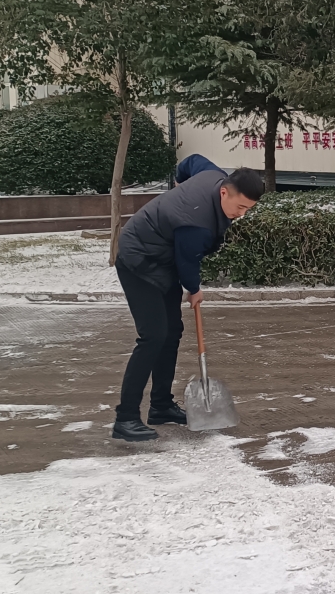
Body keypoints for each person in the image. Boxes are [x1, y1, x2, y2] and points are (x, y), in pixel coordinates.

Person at [110, 154, 264, 441]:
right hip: (138, 260)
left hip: (162, 259)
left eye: (248, 209)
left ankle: (161, 406)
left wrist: (180, 186)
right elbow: (187, 263)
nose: (241, 214)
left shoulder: (211, 173)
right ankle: (126, 418)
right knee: (153, 336)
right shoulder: (198, 224)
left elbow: (191, 161)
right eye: (240, 206)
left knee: (171, 333)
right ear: (224, 192)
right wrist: (194, 290)